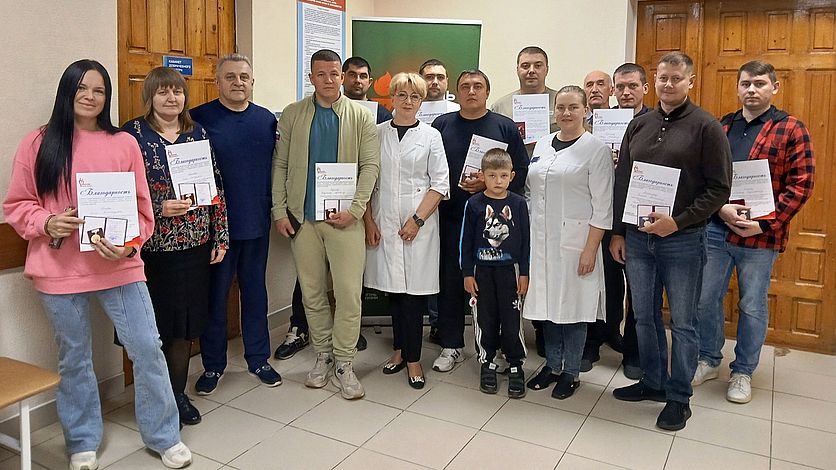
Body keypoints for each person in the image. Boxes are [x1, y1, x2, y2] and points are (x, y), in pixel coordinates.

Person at [3, 59, 192, 469]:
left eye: (99, 90)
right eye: (82, 88)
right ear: (67, 92)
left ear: (107, 98)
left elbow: (143, 209)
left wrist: (128, 246)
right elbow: (17, 204)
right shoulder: (38, 142)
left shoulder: (123, 143)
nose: (90, 97)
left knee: (148, 347)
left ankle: (164, 434)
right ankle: (82, 440)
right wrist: (47, 222)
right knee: (75, 358)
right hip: (59, 268)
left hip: (120, 267)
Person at [610, 52, 732, 431]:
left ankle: (679, 397)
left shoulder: (706, 127)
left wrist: (677, 222)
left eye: (676, 78)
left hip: (683, 240)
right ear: (655, 81)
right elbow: (623, 179)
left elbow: (719, 189)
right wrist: (618, 231)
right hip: (638, 238)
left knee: (682, 322)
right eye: (663, 78)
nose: (668, 84)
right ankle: (653, 382)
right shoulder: (639, 124)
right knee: (643, 316)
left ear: (690, 81)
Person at [693, 60, 815, 403]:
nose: (751, 90)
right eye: (745, 83)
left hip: (761, 236)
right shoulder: (722, 127)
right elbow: (704, 176)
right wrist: (720, 208)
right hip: (717, 229)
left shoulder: (791, 129)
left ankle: (743, 371)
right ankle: (708, 359)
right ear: (737, 88)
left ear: (774, 87)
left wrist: (763, 223)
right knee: (705, 298)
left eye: (759, 83)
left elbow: (801, 185)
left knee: (751, 305)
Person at [123, 66, 229, 426]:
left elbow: (216, 185)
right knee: (153, 329)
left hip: (194, 246)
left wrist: (220, 234)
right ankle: (154, 400)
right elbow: (118, 192)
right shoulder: (132, 135)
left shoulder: (197, 133)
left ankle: (178, 395)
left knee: (185, 327)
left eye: (178, 91)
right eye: (163, 92)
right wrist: (158, 207)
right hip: (150, 250)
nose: (172, 98)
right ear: (149, 96)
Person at [273, 49, 379, 400]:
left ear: (342, 76)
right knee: (313, 292)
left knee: (348, 293)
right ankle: (323, 355)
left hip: (345, 221)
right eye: (321, 74)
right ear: (311, 78)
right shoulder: (293, 114)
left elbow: (370, 167)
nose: (329, 80)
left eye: (334, 73)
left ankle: (345, 363)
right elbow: (280, 165)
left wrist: (356, 209)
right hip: (304, 220)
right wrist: (279, 211)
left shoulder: (360, 116)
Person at [190, 53, 282, 394]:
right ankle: (213, 365)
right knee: (215, 298)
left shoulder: (266, 120)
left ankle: (259, 359)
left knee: (255, 293)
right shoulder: (198, 119)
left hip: (255, 221)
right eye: (230, 77)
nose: (238, 82)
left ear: (252, 82)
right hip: (215, 229)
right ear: (217, 82)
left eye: (244, 77)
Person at [431, 69, 528, 372]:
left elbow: (521, 172)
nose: (471, 91)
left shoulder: (504, 126)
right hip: (451, 218)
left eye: (477, 86)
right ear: (456, 92)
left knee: (495, 288)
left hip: (495, 227)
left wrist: (488, 185)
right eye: (465, 86)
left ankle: (499, 347)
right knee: (450, 281)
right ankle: (451, 345)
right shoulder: (441, 125)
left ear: (487, 91)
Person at [523, 86, 613, 400]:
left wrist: (590, 249)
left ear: (585, 110)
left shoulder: (596, 149)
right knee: (548, 304)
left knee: (574, 308)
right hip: (542, 241)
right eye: (560, 107)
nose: (565, 113)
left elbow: (603, 206)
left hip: (577, 243)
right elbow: (531, 190)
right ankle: (552, 365)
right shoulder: (543, 144)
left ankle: (571, 372)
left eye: (573, 107)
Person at [364, 72, 450, 389]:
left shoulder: (431, 136)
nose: (408, 101)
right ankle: (399, 351)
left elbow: (440, 183)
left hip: (419, 226)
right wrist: (369, 222)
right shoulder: (376, 133)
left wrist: (417, 220)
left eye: (415, 96)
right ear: (392, 98)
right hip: (383, 223)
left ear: (422, 101)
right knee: (394, 293)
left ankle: (414, 359)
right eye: (402, 95)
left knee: (413, 296)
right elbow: (366, 181)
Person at [461, 148, 530, 397]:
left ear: (512, 176)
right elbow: (465, 241)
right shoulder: (474, 204)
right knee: (485, 319)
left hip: (510, 272)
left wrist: (524, 273)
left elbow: (525, 242)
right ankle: (487, 361)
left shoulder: (518, 204)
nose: (498, 181)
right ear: (482, 176)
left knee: (511, 321)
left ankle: (515, 364)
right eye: (492, 176)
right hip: (482, 273)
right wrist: (467, 273)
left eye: (503, 176)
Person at [417, 59, 460, 344]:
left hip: (450, 199)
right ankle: (429, 320)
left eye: (440, 77)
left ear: (447, 82)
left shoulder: (458, 112)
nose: (434, 82)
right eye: (429, 77)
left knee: (446, 264)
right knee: (424, 261)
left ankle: (442, 322)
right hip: (416, 200)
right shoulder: (409, 110)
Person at [491, 46, 560, 154]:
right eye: (525, 66)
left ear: (546, 70)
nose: (531, 70)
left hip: (554, 162)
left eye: (538, 66)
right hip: (513, 163)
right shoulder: (500, 106)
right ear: (517, 70)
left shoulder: (561, 102)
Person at [343, 56, 393, 124]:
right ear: (342, 78)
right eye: (352, 75)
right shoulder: (331, 108)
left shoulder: (382, 115)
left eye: (363, 76)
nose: (358, 80)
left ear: (370, 82)